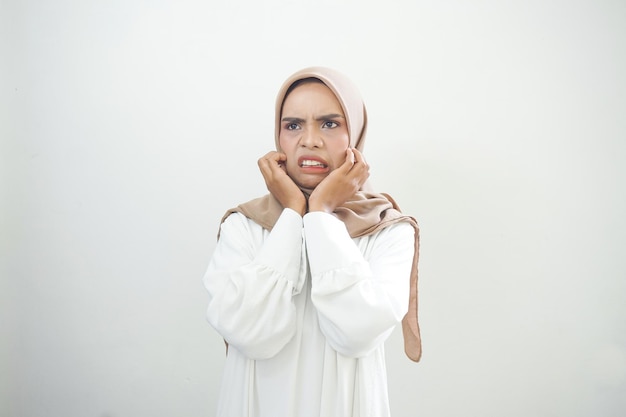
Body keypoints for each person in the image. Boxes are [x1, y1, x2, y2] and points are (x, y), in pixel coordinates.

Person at [202, 66, 421, 417]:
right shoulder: (243, 226)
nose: (310, 140)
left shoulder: (389, 230)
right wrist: (292, 212)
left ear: (357, 133)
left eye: (330, 123)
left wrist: (319, 213)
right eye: (293, 125)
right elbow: (249, 331)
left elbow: (359, 331)